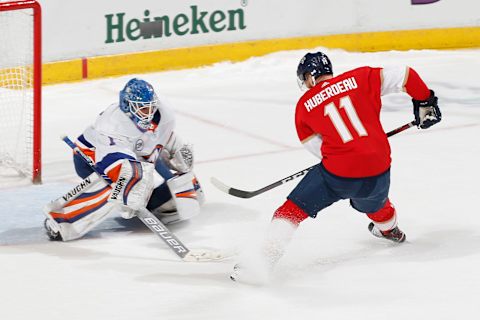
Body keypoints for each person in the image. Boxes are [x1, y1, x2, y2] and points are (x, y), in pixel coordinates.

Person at [231, 51, 441, 283]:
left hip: (338, 174)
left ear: (310, 77)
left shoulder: (304, 106)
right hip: (378, 169)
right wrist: (424, 101)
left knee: (290, 211)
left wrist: (345, 152)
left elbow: (318, 150)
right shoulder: (362, 77)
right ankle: (390, 229)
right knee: (376, 204)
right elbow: (406, 75)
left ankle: (261, 263)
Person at [43, 78, 205, 241]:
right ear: (128, 106)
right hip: (94, 157)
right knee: (120, 186)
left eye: (151, 107)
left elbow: (160, 136)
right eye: (142, 109)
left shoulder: (163, 111)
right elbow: (124, 168)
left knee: (185, 192)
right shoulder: (113, 126)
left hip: (137, 154)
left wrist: (176, 147)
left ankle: (152, 203)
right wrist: (130, 188)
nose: (149, 113)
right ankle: (62, 220)